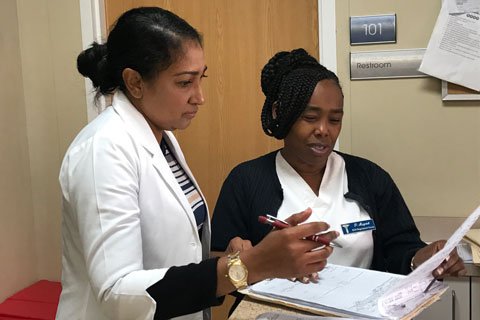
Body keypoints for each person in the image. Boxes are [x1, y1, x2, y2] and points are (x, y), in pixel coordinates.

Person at [56, 8, 338, 320]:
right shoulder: (104, 150)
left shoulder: (162, 139)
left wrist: (231, 258)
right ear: (135, 82)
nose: (200, 97)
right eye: (185, 82)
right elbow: (116, 292)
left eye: (200, 78)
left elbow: (174, 252)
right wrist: (249, 266)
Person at [211, 48, 467, 285]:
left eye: (335, 120)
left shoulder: (370, 178)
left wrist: (423, 258)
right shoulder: (246, 181)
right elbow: (218, 267)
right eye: (310, 118)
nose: (324, 130)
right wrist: (239, 262)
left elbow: (401, 249)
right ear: (281, 113)